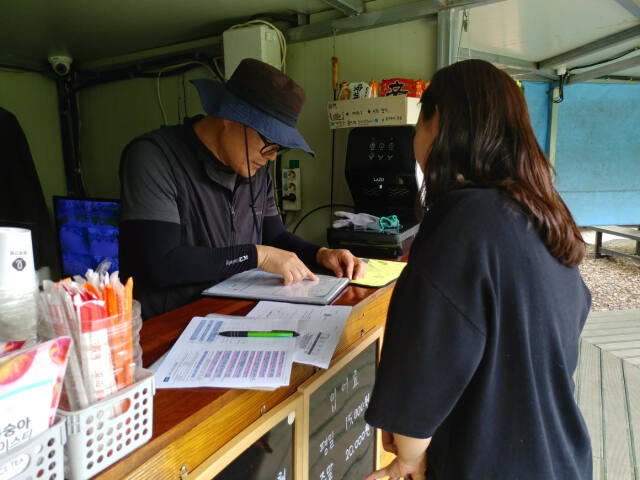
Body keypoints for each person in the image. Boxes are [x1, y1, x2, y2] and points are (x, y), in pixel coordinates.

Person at [364, 59, 592, 480]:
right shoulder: (544, 215)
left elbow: (423, 367)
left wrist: (409, 458)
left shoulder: (463, 224)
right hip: (560, 458)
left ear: (440, 123)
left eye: (419, 124)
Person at [119, 59, 365, 318]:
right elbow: (161, 263)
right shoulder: (154, 157)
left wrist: (321, 253)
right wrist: (256, 255)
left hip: (233, 314)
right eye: (269, 142)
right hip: (168, 324)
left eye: (278, 148)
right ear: (230, 117)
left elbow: (275, 237)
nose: (271, 157)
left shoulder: (255, 170)